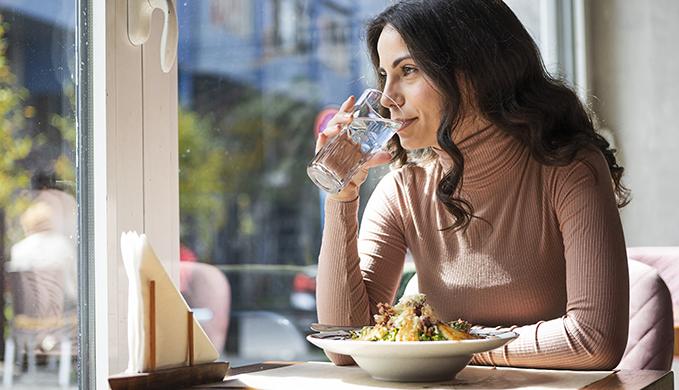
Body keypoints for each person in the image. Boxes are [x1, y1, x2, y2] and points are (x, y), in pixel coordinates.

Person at [315, 0, 630, 370]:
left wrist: (450, 344)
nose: (387, 98)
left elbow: (595, 340)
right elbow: (343, 344)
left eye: (409, 70)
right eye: (385, 75)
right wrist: (341, 196)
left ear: (476, 71)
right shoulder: (401, 193)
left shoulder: (569, 171)